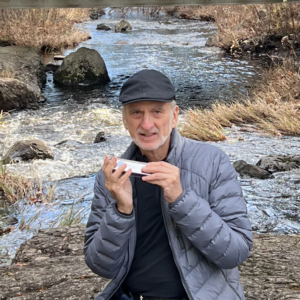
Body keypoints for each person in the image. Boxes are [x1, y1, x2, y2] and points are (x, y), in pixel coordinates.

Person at [84, 69, 253, 300]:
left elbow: (235, 252)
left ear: (174, 116)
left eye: (157, 111)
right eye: (136, 112)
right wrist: (121, 210)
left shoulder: (213, 161)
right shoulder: (113, 176)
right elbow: (101, 266)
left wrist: (181, 198)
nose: (146, 124)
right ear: (124, 120)